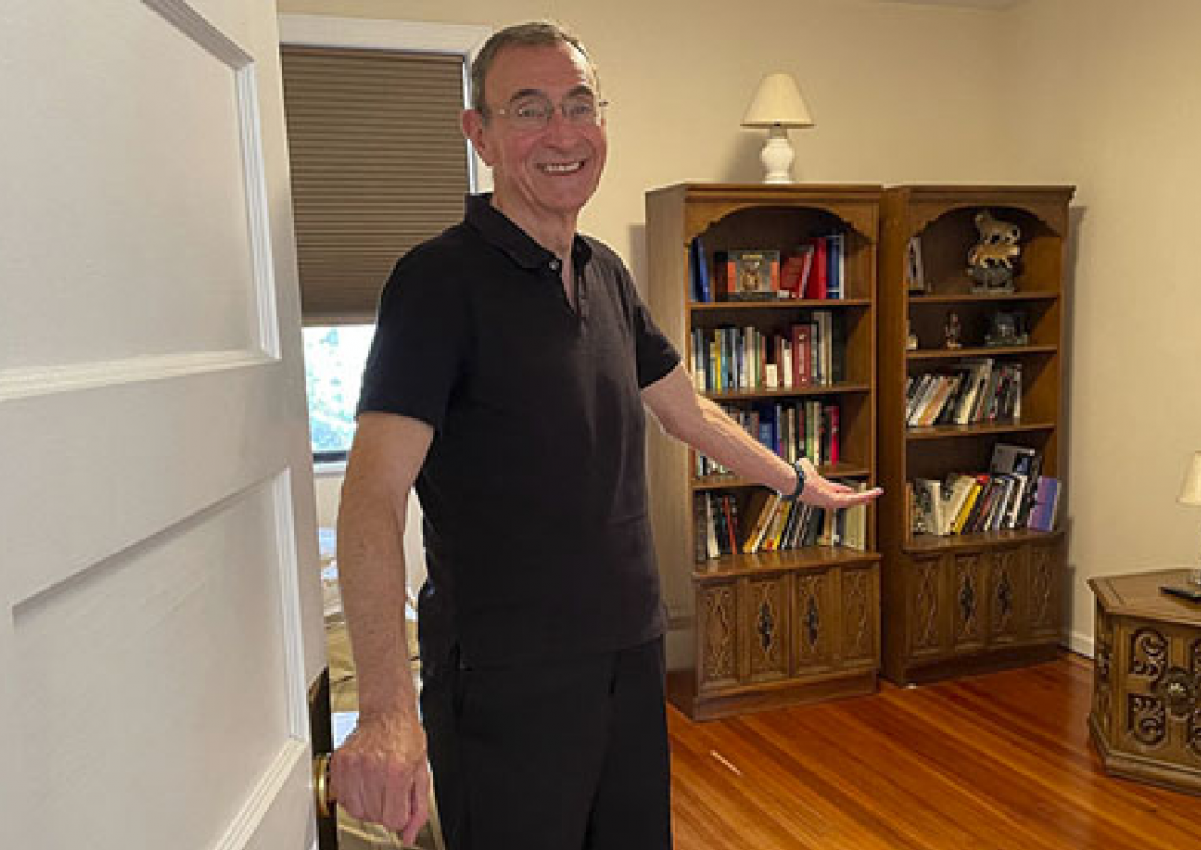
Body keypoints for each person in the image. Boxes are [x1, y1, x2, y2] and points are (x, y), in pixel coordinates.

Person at [329, 21, 881, 850]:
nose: (563, 132)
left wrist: (796, 482)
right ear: (480, 133)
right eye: (529, 109)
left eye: (579, 104)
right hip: (504, 678)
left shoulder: (605, 274)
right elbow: (373, 496)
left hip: (628, 646)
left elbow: (688, 411)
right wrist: (384, 711)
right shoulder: (435, 283)